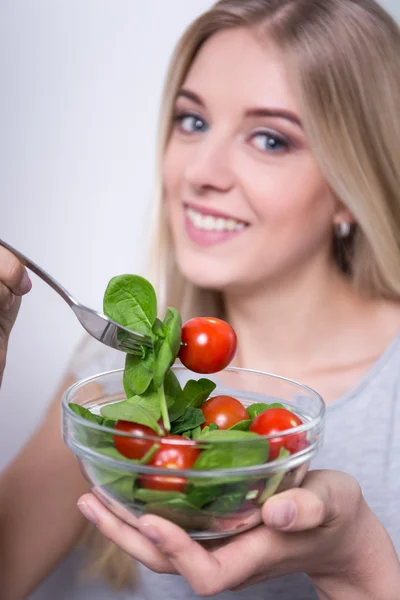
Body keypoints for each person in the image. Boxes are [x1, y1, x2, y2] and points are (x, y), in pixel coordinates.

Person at [1, 0, 400, 598]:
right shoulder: (122, 379)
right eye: (192, 122)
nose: (201, 172)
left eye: (269, 138)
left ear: (352, 181)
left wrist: (358, 562)